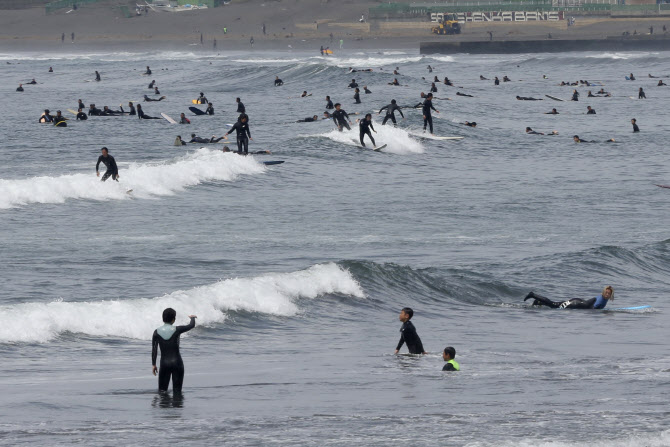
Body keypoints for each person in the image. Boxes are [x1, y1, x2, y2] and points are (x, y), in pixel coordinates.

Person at [151, 308, 197, 393]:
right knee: (177, 392)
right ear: (173, 319)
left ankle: (164, 405)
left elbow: (154, 349)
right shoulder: (177, 329)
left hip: (164, 364)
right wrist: (192, 318)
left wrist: (154, 364)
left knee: (162, 392)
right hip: (177, 363)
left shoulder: (156, 332)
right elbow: (191, 325)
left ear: (163, 318)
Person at [524, 286, 614, 310]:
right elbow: (593, 304)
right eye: (606, 293)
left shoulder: (603, 299)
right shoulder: (601, 299)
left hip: (576, 302)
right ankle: (533, 295)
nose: (607, 294)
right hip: (574, 303)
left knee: (556, 304)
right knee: (553, 305)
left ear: (610, 295)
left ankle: (539, 302)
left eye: (608, 293)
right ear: (603, 292)